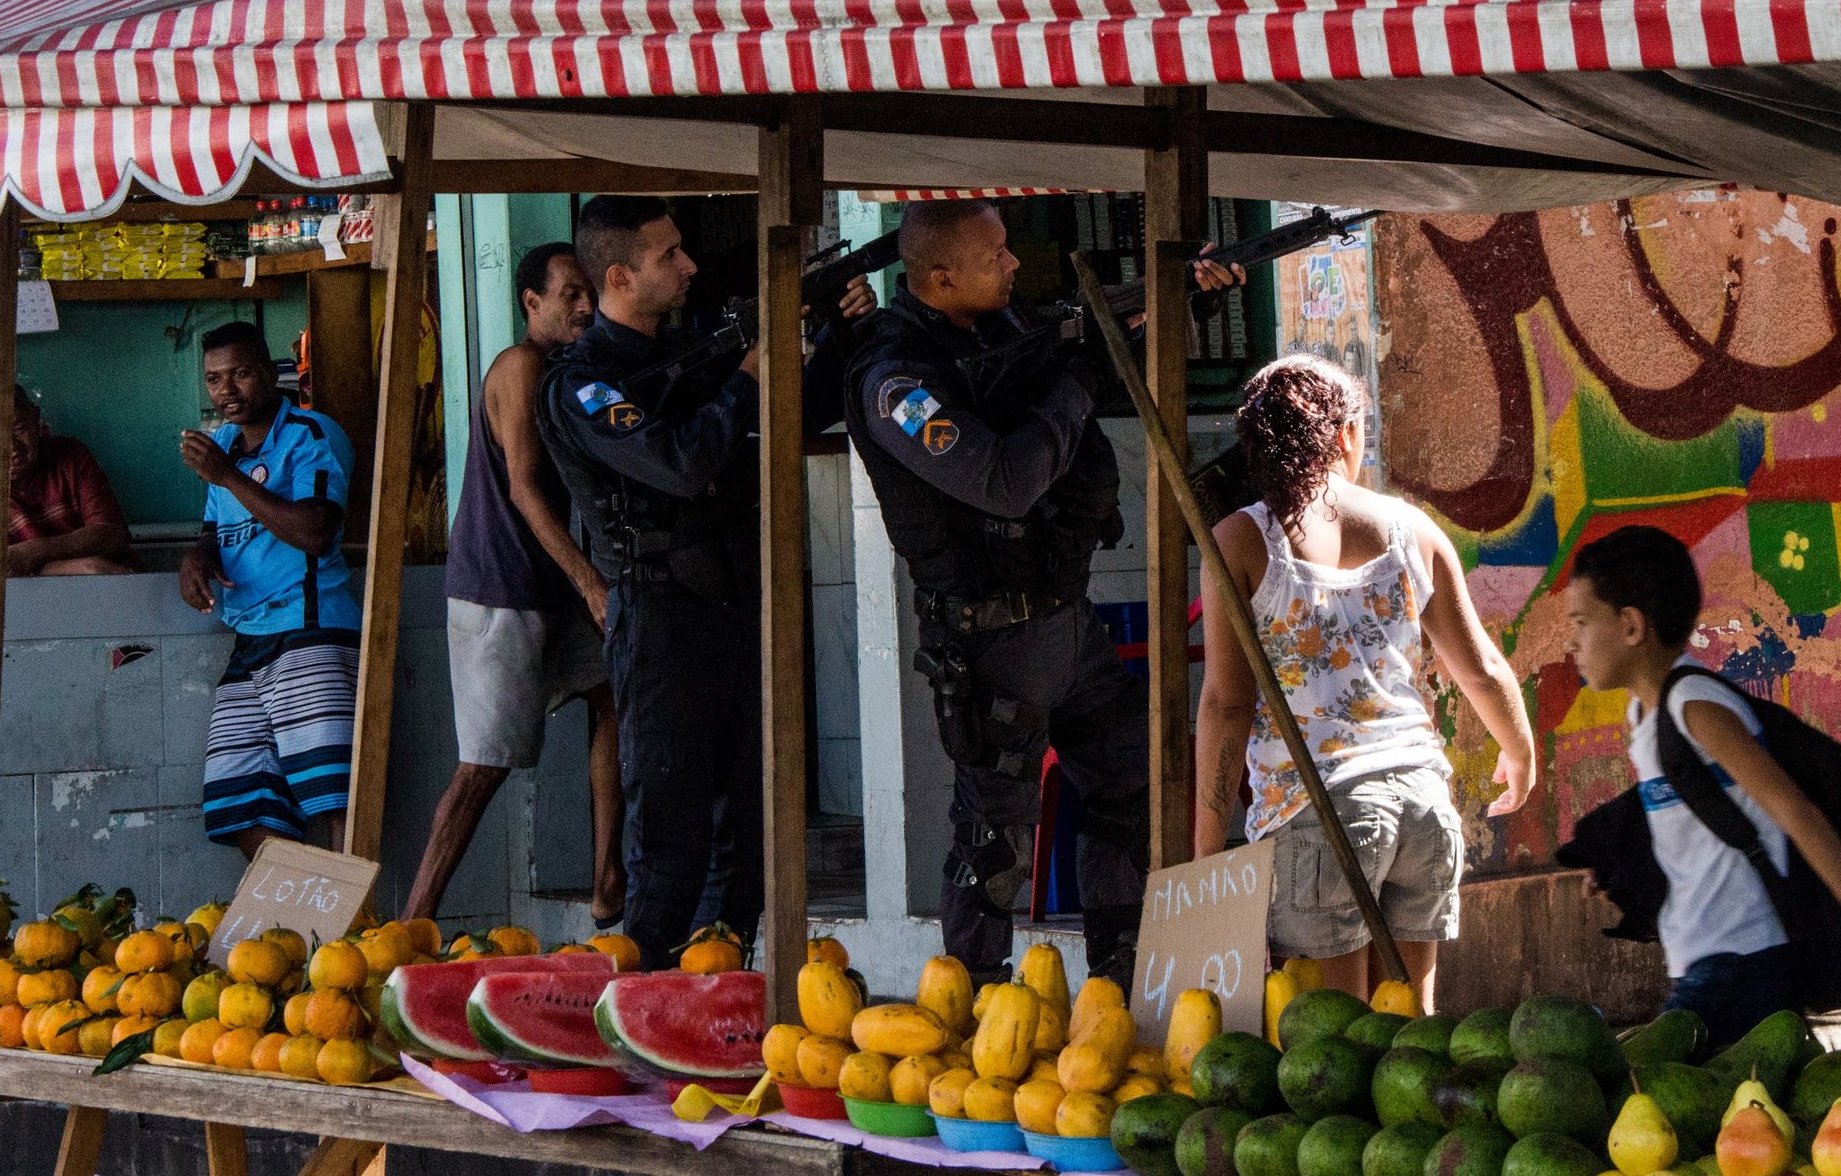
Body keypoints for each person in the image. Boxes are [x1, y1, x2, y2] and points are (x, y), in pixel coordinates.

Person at [842, 198, 1244, 988]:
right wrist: (1077, 380)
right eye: (995, 254)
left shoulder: (1003, 329)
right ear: (939, 277)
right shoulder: (897, 380)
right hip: (988, 641)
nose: (1015, 263)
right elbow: (1003, 478)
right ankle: (970, 1009)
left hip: (1066, 621)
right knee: (994, 839)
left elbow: (1096, 365)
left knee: (1134, 781)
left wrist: (1186, 301)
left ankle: (1120, 976)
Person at [538, 196, 874, 970]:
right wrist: (749, 373)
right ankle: (645, 994)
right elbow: (680, 462)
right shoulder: (582, 383)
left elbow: (797, 411)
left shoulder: (694, 349)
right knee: (670, 839)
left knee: (749, 834)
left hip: (734, 609)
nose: (689, 265)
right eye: (669, 255)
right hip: (659, 621)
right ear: (620, 277)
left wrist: (840, 330)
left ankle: (720, 985)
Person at [1193, 355, 1536, 1010]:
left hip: (1318, 813)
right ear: (1345, 434)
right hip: (1422, 802)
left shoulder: (1239, 540)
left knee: (1335, 1033)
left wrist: (1209, 851)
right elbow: (1484, 669)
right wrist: (1519, 754)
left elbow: (1226, 705)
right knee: (1412, 1024)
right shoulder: (1412, 530)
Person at [1563, 525, 1841, 1039]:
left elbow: (1794, 810)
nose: (1571, 641)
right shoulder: (1645, 713)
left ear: (1630, 626)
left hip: (1745, 961)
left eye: (1581, 622)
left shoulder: (1695, 706)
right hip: (1704, 960)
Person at [406, 244, 624, 927]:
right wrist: (591, 583)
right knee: (482, 768)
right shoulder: (521, 366)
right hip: (497, 588)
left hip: (549, 587)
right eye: (570, 295)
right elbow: (525, 491)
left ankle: (607, 877)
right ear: (532, 302)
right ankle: (411, 923)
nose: (586, 307)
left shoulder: (569, 371)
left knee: (614, 692)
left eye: (590, 293)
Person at [178, 321, 361, 860]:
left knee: (334, 798)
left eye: (239, 374)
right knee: (241, 804)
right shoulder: (223, 446)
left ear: (268, 372)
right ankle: (298, 907)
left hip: (310, 628)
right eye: (214, 379)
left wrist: (229, 476)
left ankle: (351, 912)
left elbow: (317, 532)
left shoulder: (310, 433)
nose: (226, 390)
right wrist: (198, 557)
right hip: (250, 639)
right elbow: (214, 530)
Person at [8, 385, 133, 576]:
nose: (12, 449)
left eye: (19, 428)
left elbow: (112, 536)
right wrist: (83, 566)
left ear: (35, 418)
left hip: (109, 582)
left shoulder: (71, 455)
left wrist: (33, 551)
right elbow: (6, 568)